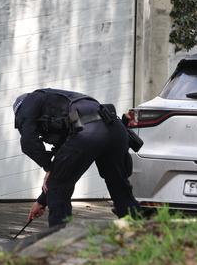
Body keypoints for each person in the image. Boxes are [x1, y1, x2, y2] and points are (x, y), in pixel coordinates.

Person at [13, 88, 142, 227]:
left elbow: (28, 142)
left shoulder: (25, 104)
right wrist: (41, 201)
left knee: (59, 188)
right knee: (119, 186)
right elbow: (63, 165)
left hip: (88, 131)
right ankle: (138, 234)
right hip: (115, 129)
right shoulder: (58, 105)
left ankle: (59, 240)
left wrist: (48, 167)